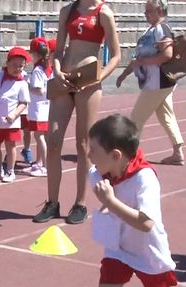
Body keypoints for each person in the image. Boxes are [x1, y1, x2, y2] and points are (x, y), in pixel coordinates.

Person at [71, 113, 185, 287]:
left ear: (115, 155)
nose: (89, 154)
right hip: (118, 247)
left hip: (147, 250)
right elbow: (100, 192)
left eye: (94, 150)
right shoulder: (99, 173)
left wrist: (110, 202)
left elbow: (146, 223)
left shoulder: (145, 178)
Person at [32, 0, 121, 224]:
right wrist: (58, 69)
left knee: (84, 145)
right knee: (52, 143)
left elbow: (116, 55)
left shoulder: (104, 13)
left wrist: (99, 77)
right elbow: (59, 49)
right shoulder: (67, 11)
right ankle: (52, 202)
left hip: (88, 83)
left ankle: (80, 203)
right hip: (65, 81)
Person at [116, 0, 184, 166]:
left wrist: (144, 62)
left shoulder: (162, 29)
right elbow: (138, 59)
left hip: (157, 83)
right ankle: (178, 152)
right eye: (145, 11)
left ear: (159, 10)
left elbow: (167, 55)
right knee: (166, 116)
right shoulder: (153, 29)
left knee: (135, 120)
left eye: (148, 11)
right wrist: (124, 73)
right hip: (159, 83)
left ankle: (128, 156)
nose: (145, 14)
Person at [0, 46, 31, 183]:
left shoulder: (22, 84)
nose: (17, 69)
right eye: (14, 65)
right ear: (7, 63)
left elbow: (24, 103)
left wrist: (14, 114)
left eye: (21, 66)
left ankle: (10, 170)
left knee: (10, 145)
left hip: (11, 121)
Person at [24, 36, 52, 177]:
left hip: (38, 108)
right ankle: (39, 162)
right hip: (45, 107)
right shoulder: (47, 68)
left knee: (40, 137)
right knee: (41, 136)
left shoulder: (38, 70)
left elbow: (39, 90)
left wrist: (26, 85)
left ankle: (45, 166)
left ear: (36, 54)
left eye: (32, 53)